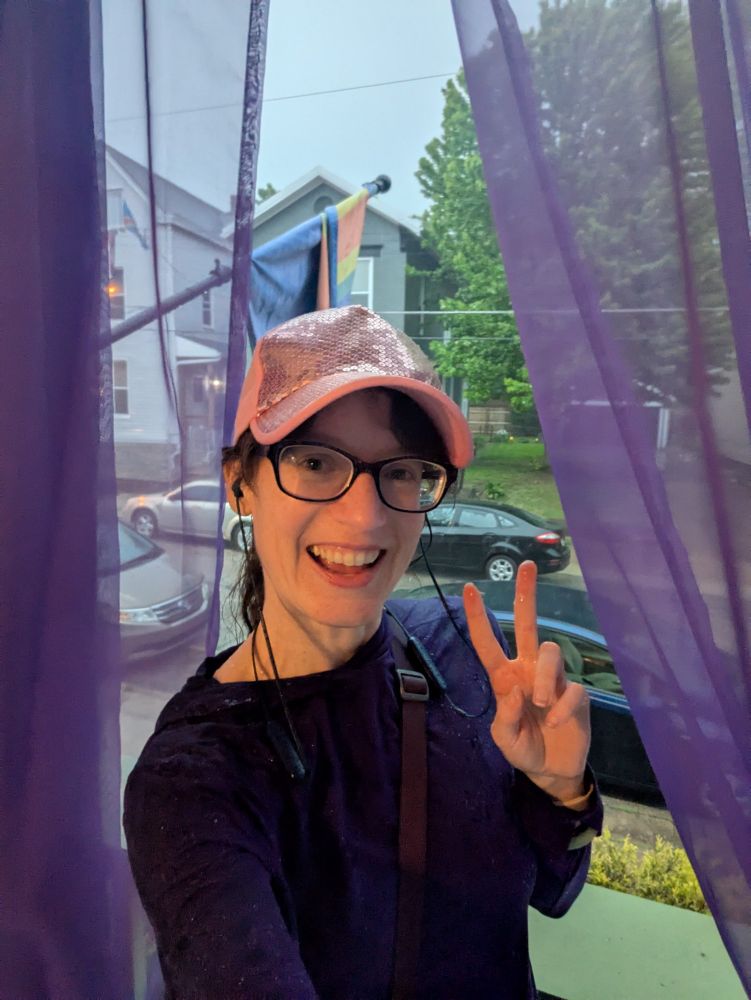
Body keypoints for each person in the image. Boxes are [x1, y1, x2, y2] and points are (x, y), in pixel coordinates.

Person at [124, 305, 602, 1000]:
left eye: (402, 471)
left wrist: (559, 790)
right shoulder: (194, 781)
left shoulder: (459, 651)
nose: (367, 516)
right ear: (241, 483)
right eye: (315, 462)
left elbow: (554, 893)